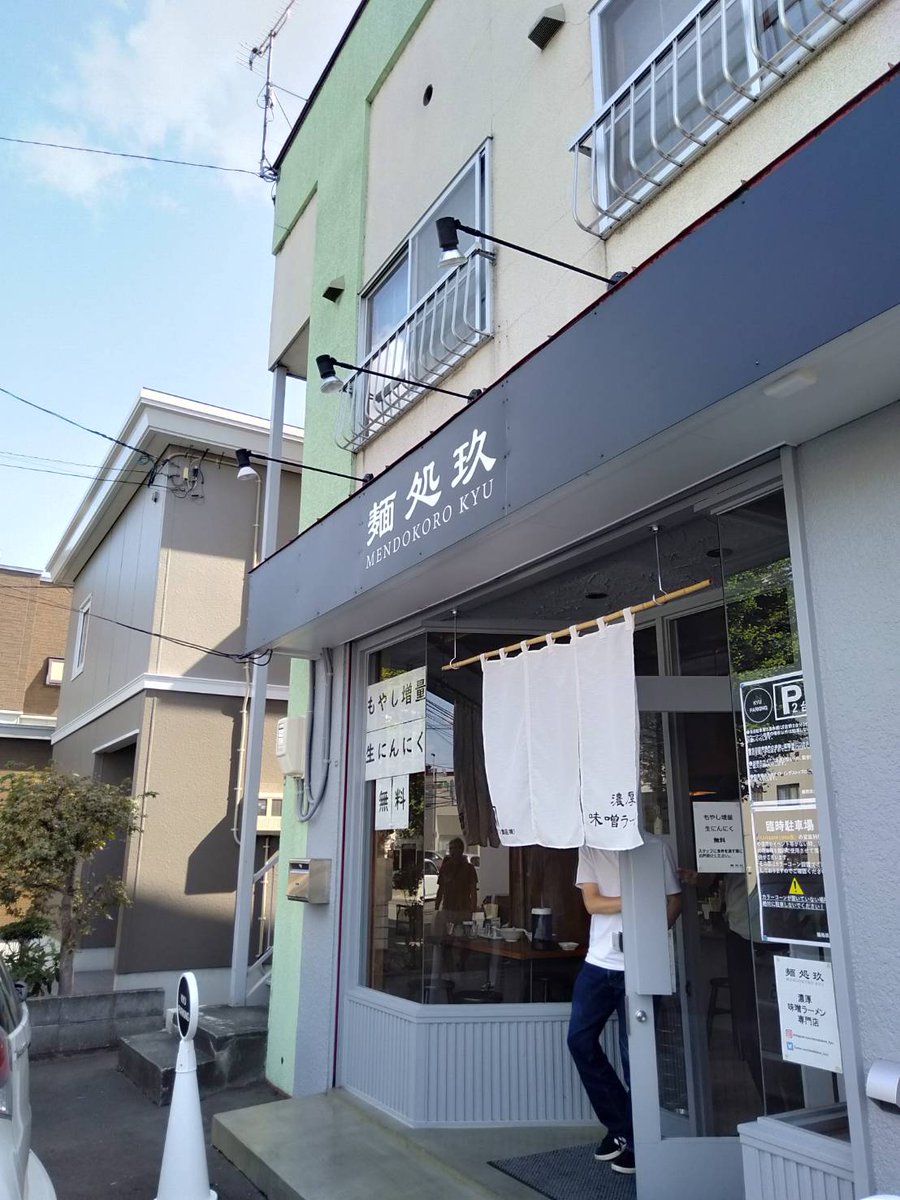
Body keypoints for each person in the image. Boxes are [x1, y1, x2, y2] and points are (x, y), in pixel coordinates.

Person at [567, 835, 682, 1177]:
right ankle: (622, 1126)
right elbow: (592, 903)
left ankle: (638, 1142)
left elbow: (674, 900)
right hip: (599, 962)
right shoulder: (590, 846)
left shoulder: (655, 846)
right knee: (579, 1041)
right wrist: (639, 899)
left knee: (636, 1058)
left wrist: (651, 931)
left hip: (640, 963)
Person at [434, 837, 478, 927]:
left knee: (463, 933)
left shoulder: (469, 868)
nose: (452, 851)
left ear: (461, 850)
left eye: (455, 848)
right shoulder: (445, 868)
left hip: (464, 909)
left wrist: (473, 910)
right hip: (448, 909)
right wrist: (436, 908)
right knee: (447, 933)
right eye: (450, 848)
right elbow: (440, 889)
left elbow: (473, 890)